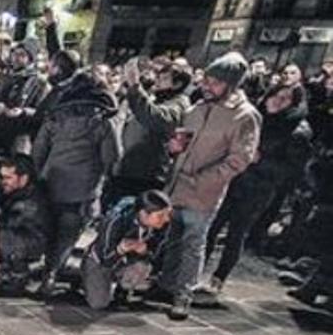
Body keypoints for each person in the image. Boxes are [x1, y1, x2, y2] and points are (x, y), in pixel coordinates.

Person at [157, 52, 261, 320]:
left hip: (203, 192)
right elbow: (183, 143)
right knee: (173, 238)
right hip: (177, 186)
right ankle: (165, 285)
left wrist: (203, 179)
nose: (206, 86)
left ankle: (183, 294)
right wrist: (174, 149)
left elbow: (240, 158)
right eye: (206, 80)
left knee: (193, 242)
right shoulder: (197, 108)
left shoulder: (244, 116)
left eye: (214, 82)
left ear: (230, 84)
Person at [201, 83, 312, 296]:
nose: (278, 100)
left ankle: (218, 278)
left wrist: (259, 160)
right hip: (233, 179)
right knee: (212, 226)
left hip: (258, 188)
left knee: (236, 233)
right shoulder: (256, 117)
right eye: (276, 94)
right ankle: (195, 272)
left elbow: (292, 170)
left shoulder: (298, 130)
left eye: (286, 98)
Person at [32, 70, 120, 293]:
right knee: (67, 234)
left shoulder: (56, 115)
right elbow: (113, 157)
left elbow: (38, 150)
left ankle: (44, 270)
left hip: (51, 181)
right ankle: (50, 276)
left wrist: (40, 174)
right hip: (83, 188)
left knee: (50, 228)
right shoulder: (102, 120)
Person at [105, 60, 191, 208]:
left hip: (145, 173)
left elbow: (155, 117)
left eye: (164, 79)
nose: (157, 81)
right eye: (158, 76)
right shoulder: (156, 97)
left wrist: (135, 86)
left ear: (177, 85)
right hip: (128, 167)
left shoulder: (178, 103)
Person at [81, 190, 173, 309]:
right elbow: (105, 258)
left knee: (141, 268)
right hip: (100, 262)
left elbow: (158, 256)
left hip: (127, 262)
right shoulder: (116, 221)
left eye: (167, 215)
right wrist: (120, 249)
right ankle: (87, 279)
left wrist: (145, 251)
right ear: (143, 213)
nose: (166, 219)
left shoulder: (162, 226)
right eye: (160, 215)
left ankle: (123, 290)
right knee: (99, 303)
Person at [0, 154, 52, 296]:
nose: (3, 182)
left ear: (24, 178)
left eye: (8, 178)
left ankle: (15, 274)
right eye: (2, 177)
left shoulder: (29, 204)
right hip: (18, 238)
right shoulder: (14, 193)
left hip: (27, 242)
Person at [0, 36, 48, 157]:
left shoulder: (40, 83)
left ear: (30, 59)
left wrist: (23, 112)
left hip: (19, 140)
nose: (16, 58)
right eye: (15, 54)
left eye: (22, 55)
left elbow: (43, 113)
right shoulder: (4, 78)